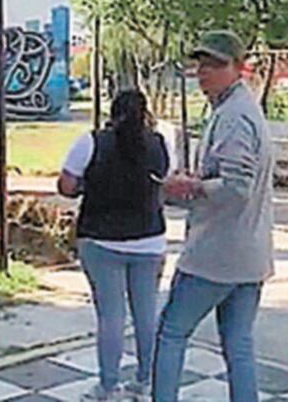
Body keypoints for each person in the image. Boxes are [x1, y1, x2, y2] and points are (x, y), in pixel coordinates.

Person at [152, 31, 274, 402]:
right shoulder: (241, 110)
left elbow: (237, 186)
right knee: (238, 344)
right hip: (249, 255)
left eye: (215, 65)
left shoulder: (234, 117)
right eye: (201, 64)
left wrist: (192, 187)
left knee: (171, 333)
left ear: (239, 69)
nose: (204, 72)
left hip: (215, 255)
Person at [59, 89, 170, 402]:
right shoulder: (160, 143)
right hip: (149, 238)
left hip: (100, 239)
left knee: (111, 316)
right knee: (146, 314)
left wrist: (86, 185)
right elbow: (164, 184)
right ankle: (145, 381)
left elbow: (67, 185)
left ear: (112, 112)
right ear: (145, 113)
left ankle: (108, 387)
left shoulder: (91, 141)